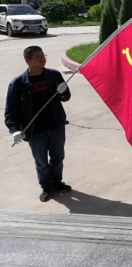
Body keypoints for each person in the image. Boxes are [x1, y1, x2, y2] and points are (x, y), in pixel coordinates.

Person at [5, 46, 72, 202]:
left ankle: (57, 182)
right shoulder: (18, 84)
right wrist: (14, 130)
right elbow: (11, 110)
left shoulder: (54, 75)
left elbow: (66, 97)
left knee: (57, 158)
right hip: (35, 131)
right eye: (38, 57)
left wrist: (63, 91)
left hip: (56, 125)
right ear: (28, 61)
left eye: (43, 55)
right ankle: (46, 187)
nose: (43, 59)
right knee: (41, 162)